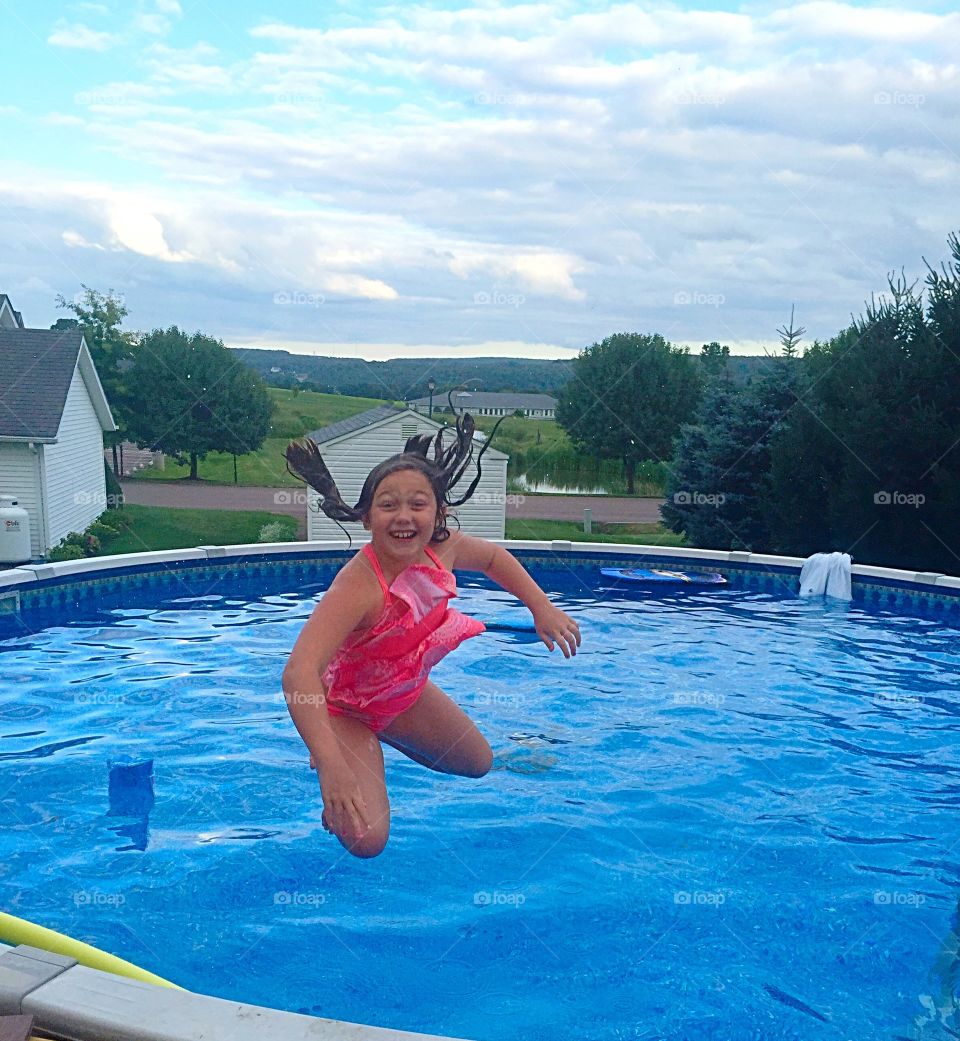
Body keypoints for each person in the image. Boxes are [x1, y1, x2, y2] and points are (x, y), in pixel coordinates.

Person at [281, 414, 581, 858]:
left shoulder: (448, 546)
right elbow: (298, 674)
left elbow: (495, 558)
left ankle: (366, 747)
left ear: (439, 512)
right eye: (388, 505)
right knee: (367, 841)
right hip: (343, 706)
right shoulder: (358, 585)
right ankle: (345, 745)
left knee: (479, 765)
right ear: (367, 519)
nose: (403, 516)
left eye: (417, 504)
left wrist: (540, 605)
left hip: (401, 692)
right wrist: (330, 764)